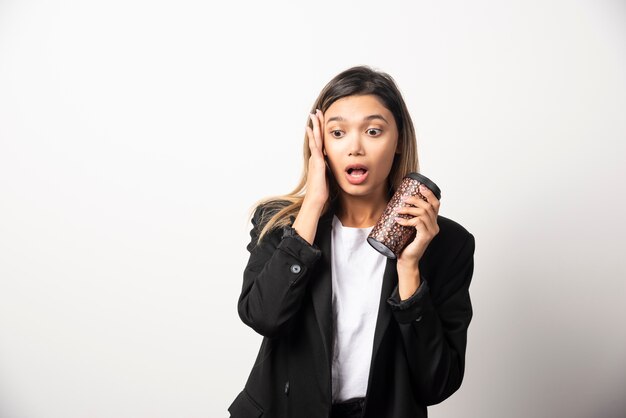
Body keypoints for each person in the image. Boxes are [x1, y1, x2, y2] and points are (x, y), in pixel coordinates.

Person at [228, 65, 475, 418]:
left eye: (373, 131)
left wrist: (409, 268)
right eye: (338, 132)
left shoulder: (448, 244)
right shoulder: (279, 222)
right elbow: (263, 317)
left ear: (399, 140)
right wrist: (311, 206)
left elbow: (436, 383)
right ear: (321, 144)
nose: (355, 147)